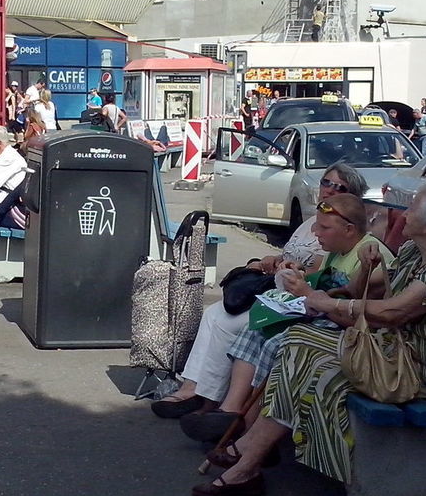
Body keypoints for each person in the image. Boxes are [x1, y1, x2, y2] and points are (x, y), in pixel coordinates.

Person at [192, 177, 426, 496]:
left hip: (423, 366)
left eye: (413, 209)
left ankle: (247, 458)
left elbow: (396, 312)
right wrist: (367, 268)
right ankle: (249, 456)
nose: (405, 215)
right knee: (296, 341)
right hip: (390, 350)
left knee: (312, 362)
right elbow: (360, 292)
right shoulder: (412, 251)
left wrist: (330, 303)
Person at [173, 192, 395, 443]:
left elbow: (357, 316)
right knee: (254, 330)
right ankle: (231, 412)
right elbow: (325, 290)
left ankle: (245, 429)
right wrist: (298, 277)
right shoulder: (337, 251)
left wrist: (307, 292)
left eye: (324, 227)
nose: (316, 232)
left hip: (355, 337)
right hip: (326, 320)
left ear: (349, 229)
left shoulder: (370, 257)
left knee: (276, 344)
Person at [150, 163, 367, 420]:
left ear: (350, 195)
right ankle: (193, 386)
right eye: (326, 182)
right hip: (277, 290)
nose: (329, 189)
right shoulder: (312, 221)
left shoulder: (338, 233)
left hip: (295, 299)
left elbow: (322, 279)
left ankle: (211, 400)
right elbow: (289, 254)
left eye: (338, 187)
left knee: (232, 326)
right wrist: (271, 260)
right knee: (213, 314)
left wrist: (293, 273)